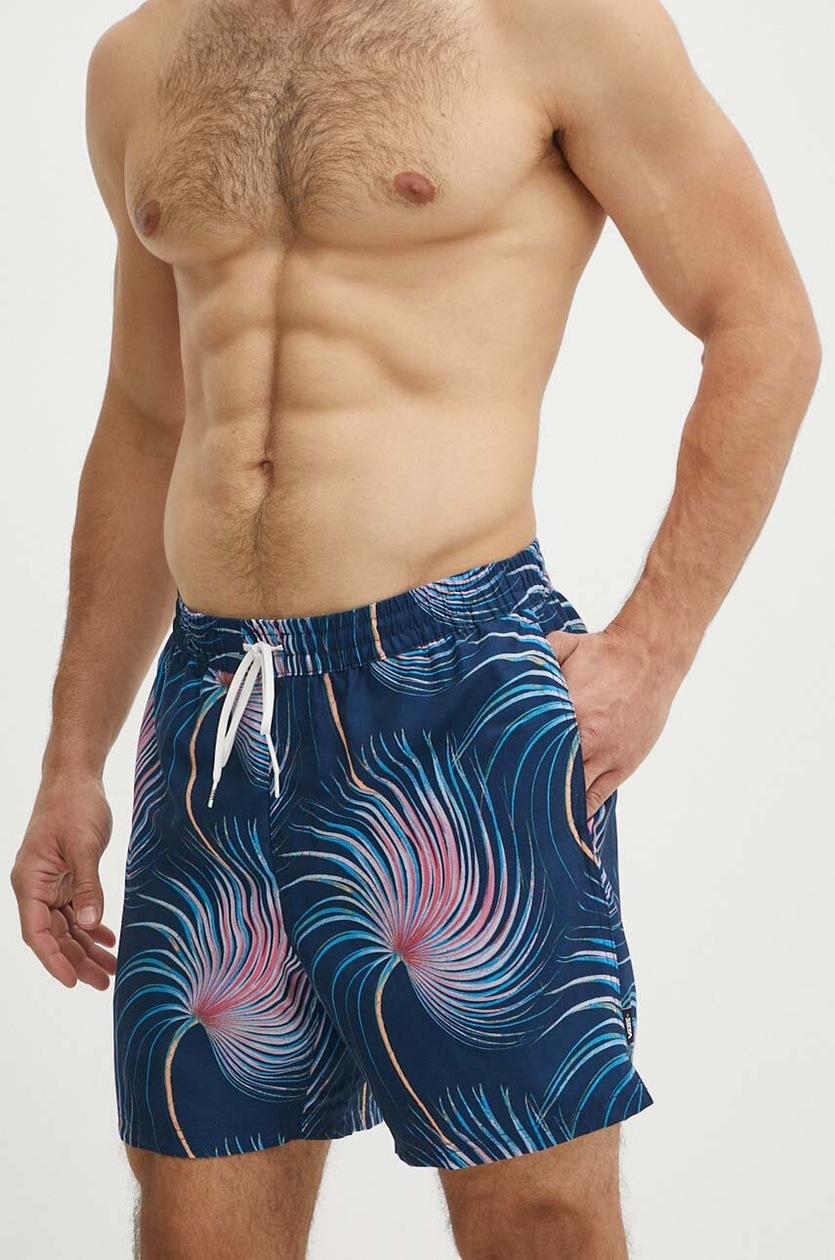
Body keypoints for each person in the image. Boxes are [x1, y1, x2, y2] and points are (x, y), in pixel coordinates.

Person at [11, 0, 820, 1256]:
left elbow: (763, 317)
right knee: (194, 1226)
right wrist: (72, 756)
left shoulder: (554, 23)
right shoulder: (141, 60)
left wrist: (652, 652)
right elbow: (144, 416)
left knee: (537, 1216)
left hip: (455, 694)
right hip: (218, 712)